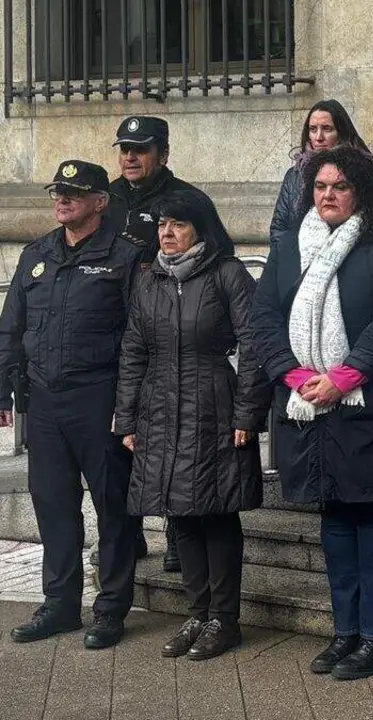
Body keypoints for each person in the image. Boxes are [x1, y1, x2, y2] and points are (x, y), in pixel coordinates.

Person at [249, 146, 373, 681]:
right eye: (320, 187)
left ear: (362, 191)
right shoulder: (290, 244)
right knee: (334, 520)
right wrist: (295, 376)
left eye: (340, 187)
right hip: (312, 407)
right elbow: (263, 318)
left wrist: (346, 375)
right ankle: (346, 631)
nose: (328, 195)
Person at [114, 190, 270, 661]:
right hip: (160, 409)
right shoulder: (150, 280)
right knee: (179, 512)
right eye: (162, 224)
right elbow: (133, 352)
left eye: (178, 224)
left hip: (213, 405)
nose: (167, 232)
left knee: (216, 513)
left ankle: (225, 619)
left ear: (201, 229)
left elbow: (255, 345)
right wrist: (127, 417)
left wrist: (247, 413)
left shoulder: (227, 274)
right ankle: (198, 613)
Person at [0, 160, 144, 649]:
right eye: (58, 192)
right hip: (44, 400)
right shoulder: (37, 253)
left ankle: (111, 609)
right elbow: (11, 327)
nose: (62, 200)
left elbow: (138, 338)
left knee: (112, 506)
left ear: (100, 202)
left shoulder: (125, 257)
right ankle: (60, 605)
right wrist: (2, 389)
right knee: (53, 504)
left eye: (74, 193)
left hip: (98, 398)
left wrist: (129, 405)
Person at [108, 114, 227, 573]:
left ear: (163, 153)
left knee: (173, 438)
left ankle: (179, 531)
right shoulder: (105, 199)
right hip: (115, 338)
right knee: (121, 442)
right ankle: (129, 535)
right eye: (124, 149)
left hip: (172, 339)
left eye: (140, 149)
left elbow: (220, 260)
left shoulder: (189, 201)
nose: (130, 157)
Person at [270, 99, 372, 251]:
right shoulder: (294, 176)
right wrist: (286, 259)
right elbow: (279, 228)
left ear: (341, 132)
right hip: (298, 258)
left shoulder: (362, 171)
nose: (319, 137)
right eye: (313, 129)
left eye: (327, 129)